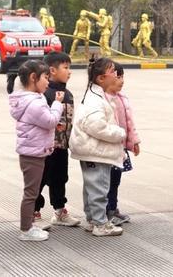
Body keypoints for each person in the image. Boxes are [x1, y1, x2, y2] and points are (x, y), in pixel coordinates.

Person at [8, 59, 64, 241]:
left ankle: (28, 226)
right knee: (31, 193)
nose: (48, 82)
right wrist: (57, 105)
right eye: (45, 77)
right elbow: (49, 121)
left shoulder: (28, 98)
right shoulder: (34, 102)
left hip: (32, 151)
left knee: (31, 191)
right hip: (33, 154)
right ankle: (26, 229)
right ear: (33, 78)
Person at [69, 57, 126, 236]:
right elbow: (97, 127)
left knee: (91, 187)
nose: (117, 76)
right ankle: (100, 223)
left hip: (91, 150)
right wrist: (119, 133)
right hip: (96, 152)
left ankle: (93, 220)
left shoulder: (96, 94)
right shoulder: (96, 100)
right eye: (114, 73)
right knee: (99, 188)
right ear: (101, 78)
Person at [32, 52, 81, 229]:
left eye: (70, 67)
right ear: (52, 70)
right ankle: (34, 212)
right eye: (66, 68)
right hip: (45, 147)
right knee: (41, 179)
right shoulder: (45, 93)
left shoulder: (67, 93)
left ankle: (59, 210)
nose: (69, 72)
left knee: (61, 178)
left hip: (62, 147)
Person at [104, 63, 141, 225]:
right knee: (106, 182)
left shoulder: (122, 98)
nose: (121, 80)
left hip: (121, 149)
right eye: (117, 76)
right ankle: (105, 211)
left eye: (122, 76)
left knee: (116, 180)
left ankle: (113, 208)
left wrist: (134, 142)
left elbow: (129, 123)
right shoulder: (102, 99)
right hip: (108, 149)